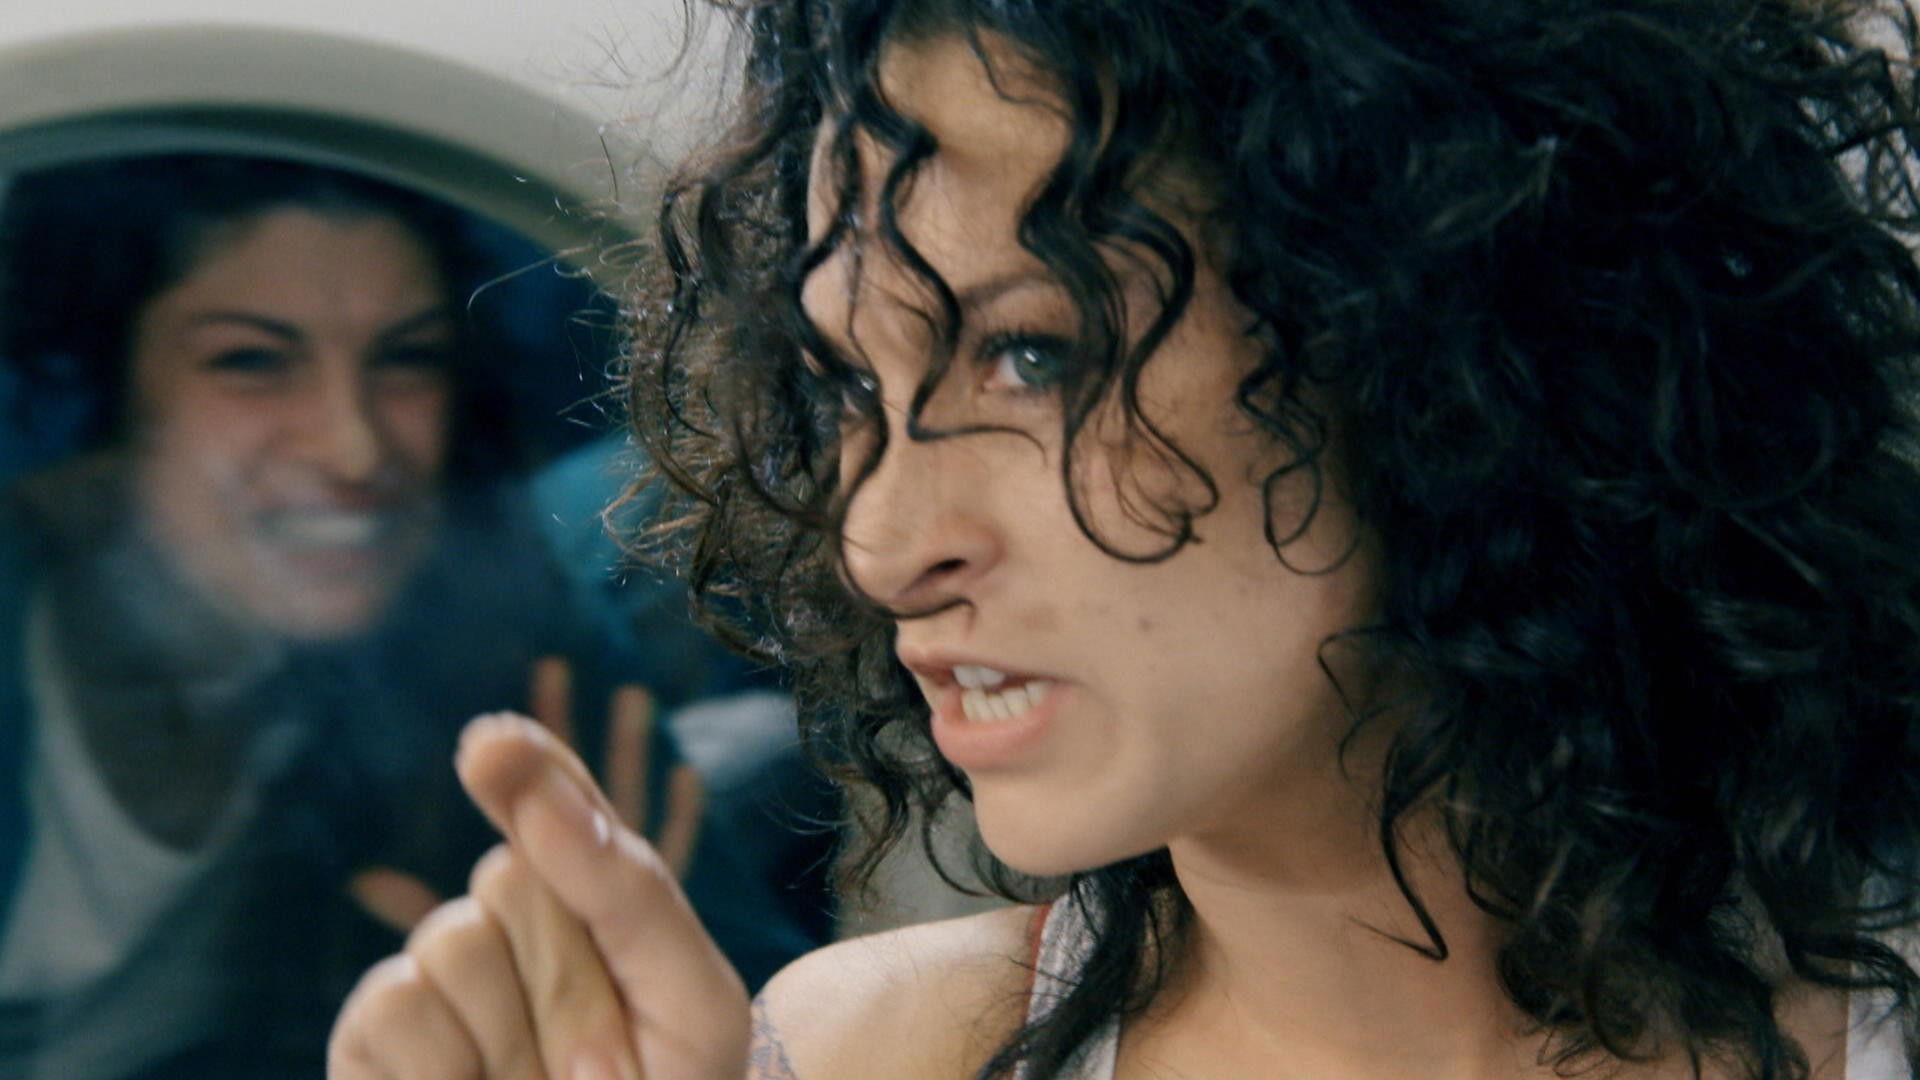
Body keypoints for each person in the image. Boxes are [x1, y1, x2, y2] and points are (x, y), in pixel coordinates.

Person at [328, 0, 1920, 1077]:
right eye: (853, 389)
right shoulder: (879, 1056)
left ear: (1441, 346)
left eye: (1035, 354)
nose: (882, 541)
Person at [0, 154, 812, 1079]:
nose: (354, 446)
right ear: (104, 399)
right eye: (252, 362)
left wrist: (639, 963)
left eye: (407, 360)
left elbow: (769, 1020)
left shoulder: (486, 631)